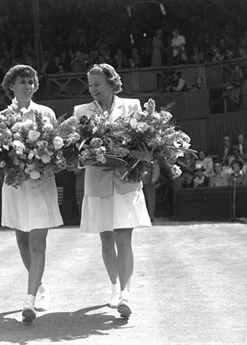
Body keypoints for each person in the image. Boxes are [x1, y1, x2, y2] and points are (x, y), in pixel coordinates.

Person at [72, 64, 151, 318]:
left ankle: (127, 293)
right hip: (97, 181)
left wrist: (138, 155)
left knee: (123, 238)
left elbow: (146, 145)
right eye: (90, 85)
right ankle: (115, 288)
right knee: (106, 238)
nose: (93, 89)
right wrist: (87, 158)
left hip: (126, 180)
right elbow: (76, 154)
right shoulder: (81, 111)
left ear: (110, 83)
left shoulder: (132, 106)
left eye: (97, 84)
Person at [0, 65, 63, 323]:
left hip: (40, 184)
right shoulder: (3, 117)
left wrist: (44, 160)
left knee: (38, 242)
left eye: (31, 81)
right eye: (22, 81)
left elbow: (59, 150)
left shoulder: (46, 113)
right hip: (15, 186)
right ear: (11, 86)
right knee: (22, 242)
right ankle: (41, 288)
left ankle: (29, 299)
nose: (28, 85)